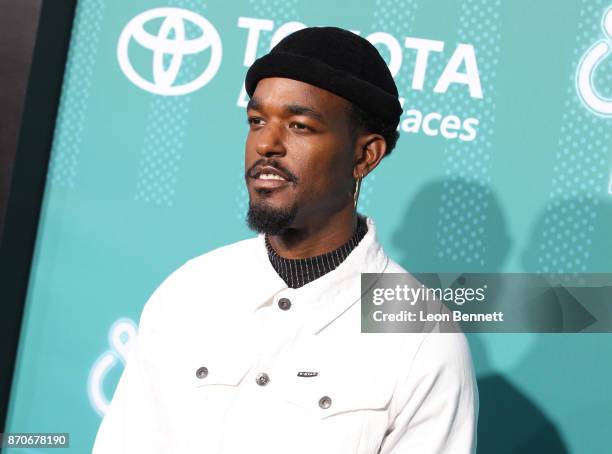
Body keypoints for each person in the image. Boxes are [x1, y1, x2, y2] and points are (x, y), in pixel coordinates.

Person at [92, 26, 478, 454]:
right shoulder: (189, 292)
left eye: (299, 125)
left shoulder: (423, 337)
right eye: (257, 121)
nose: (266, 144)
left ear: (364, 155)